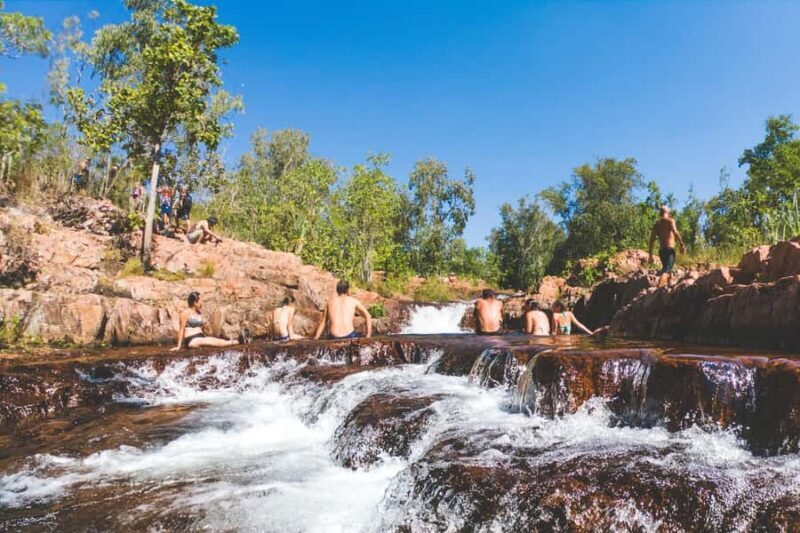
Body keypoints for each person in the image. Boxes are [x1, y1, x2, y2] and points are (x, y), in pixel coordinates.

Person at [172, 291, 239, 350]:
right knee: (212, 342)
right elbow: (181, 330)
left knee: (213, 341)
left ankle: (234, 341)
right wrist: (178, 346)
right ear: (195, 302)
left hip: (201, 337)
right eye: (200, 301)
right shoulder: (185, 313)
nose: (202, 303)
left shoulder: (199, 313)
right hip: (191, 340)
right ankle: (236, 342)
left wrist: (206, 327)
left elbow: (208, 333)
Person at [648, 205, 687, 288]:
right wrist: (682, 244)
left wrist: (650, 255)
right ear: (668, 212)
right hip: (669, 250)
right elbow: (675, 232)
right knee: (667, 270)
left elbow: (651, 240)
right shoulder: (670, 221)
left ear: (660, 213)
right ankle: (659, 289)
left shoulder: (657, 224)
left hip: (662, 252)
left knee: (666, 269)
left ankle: (665, 288)